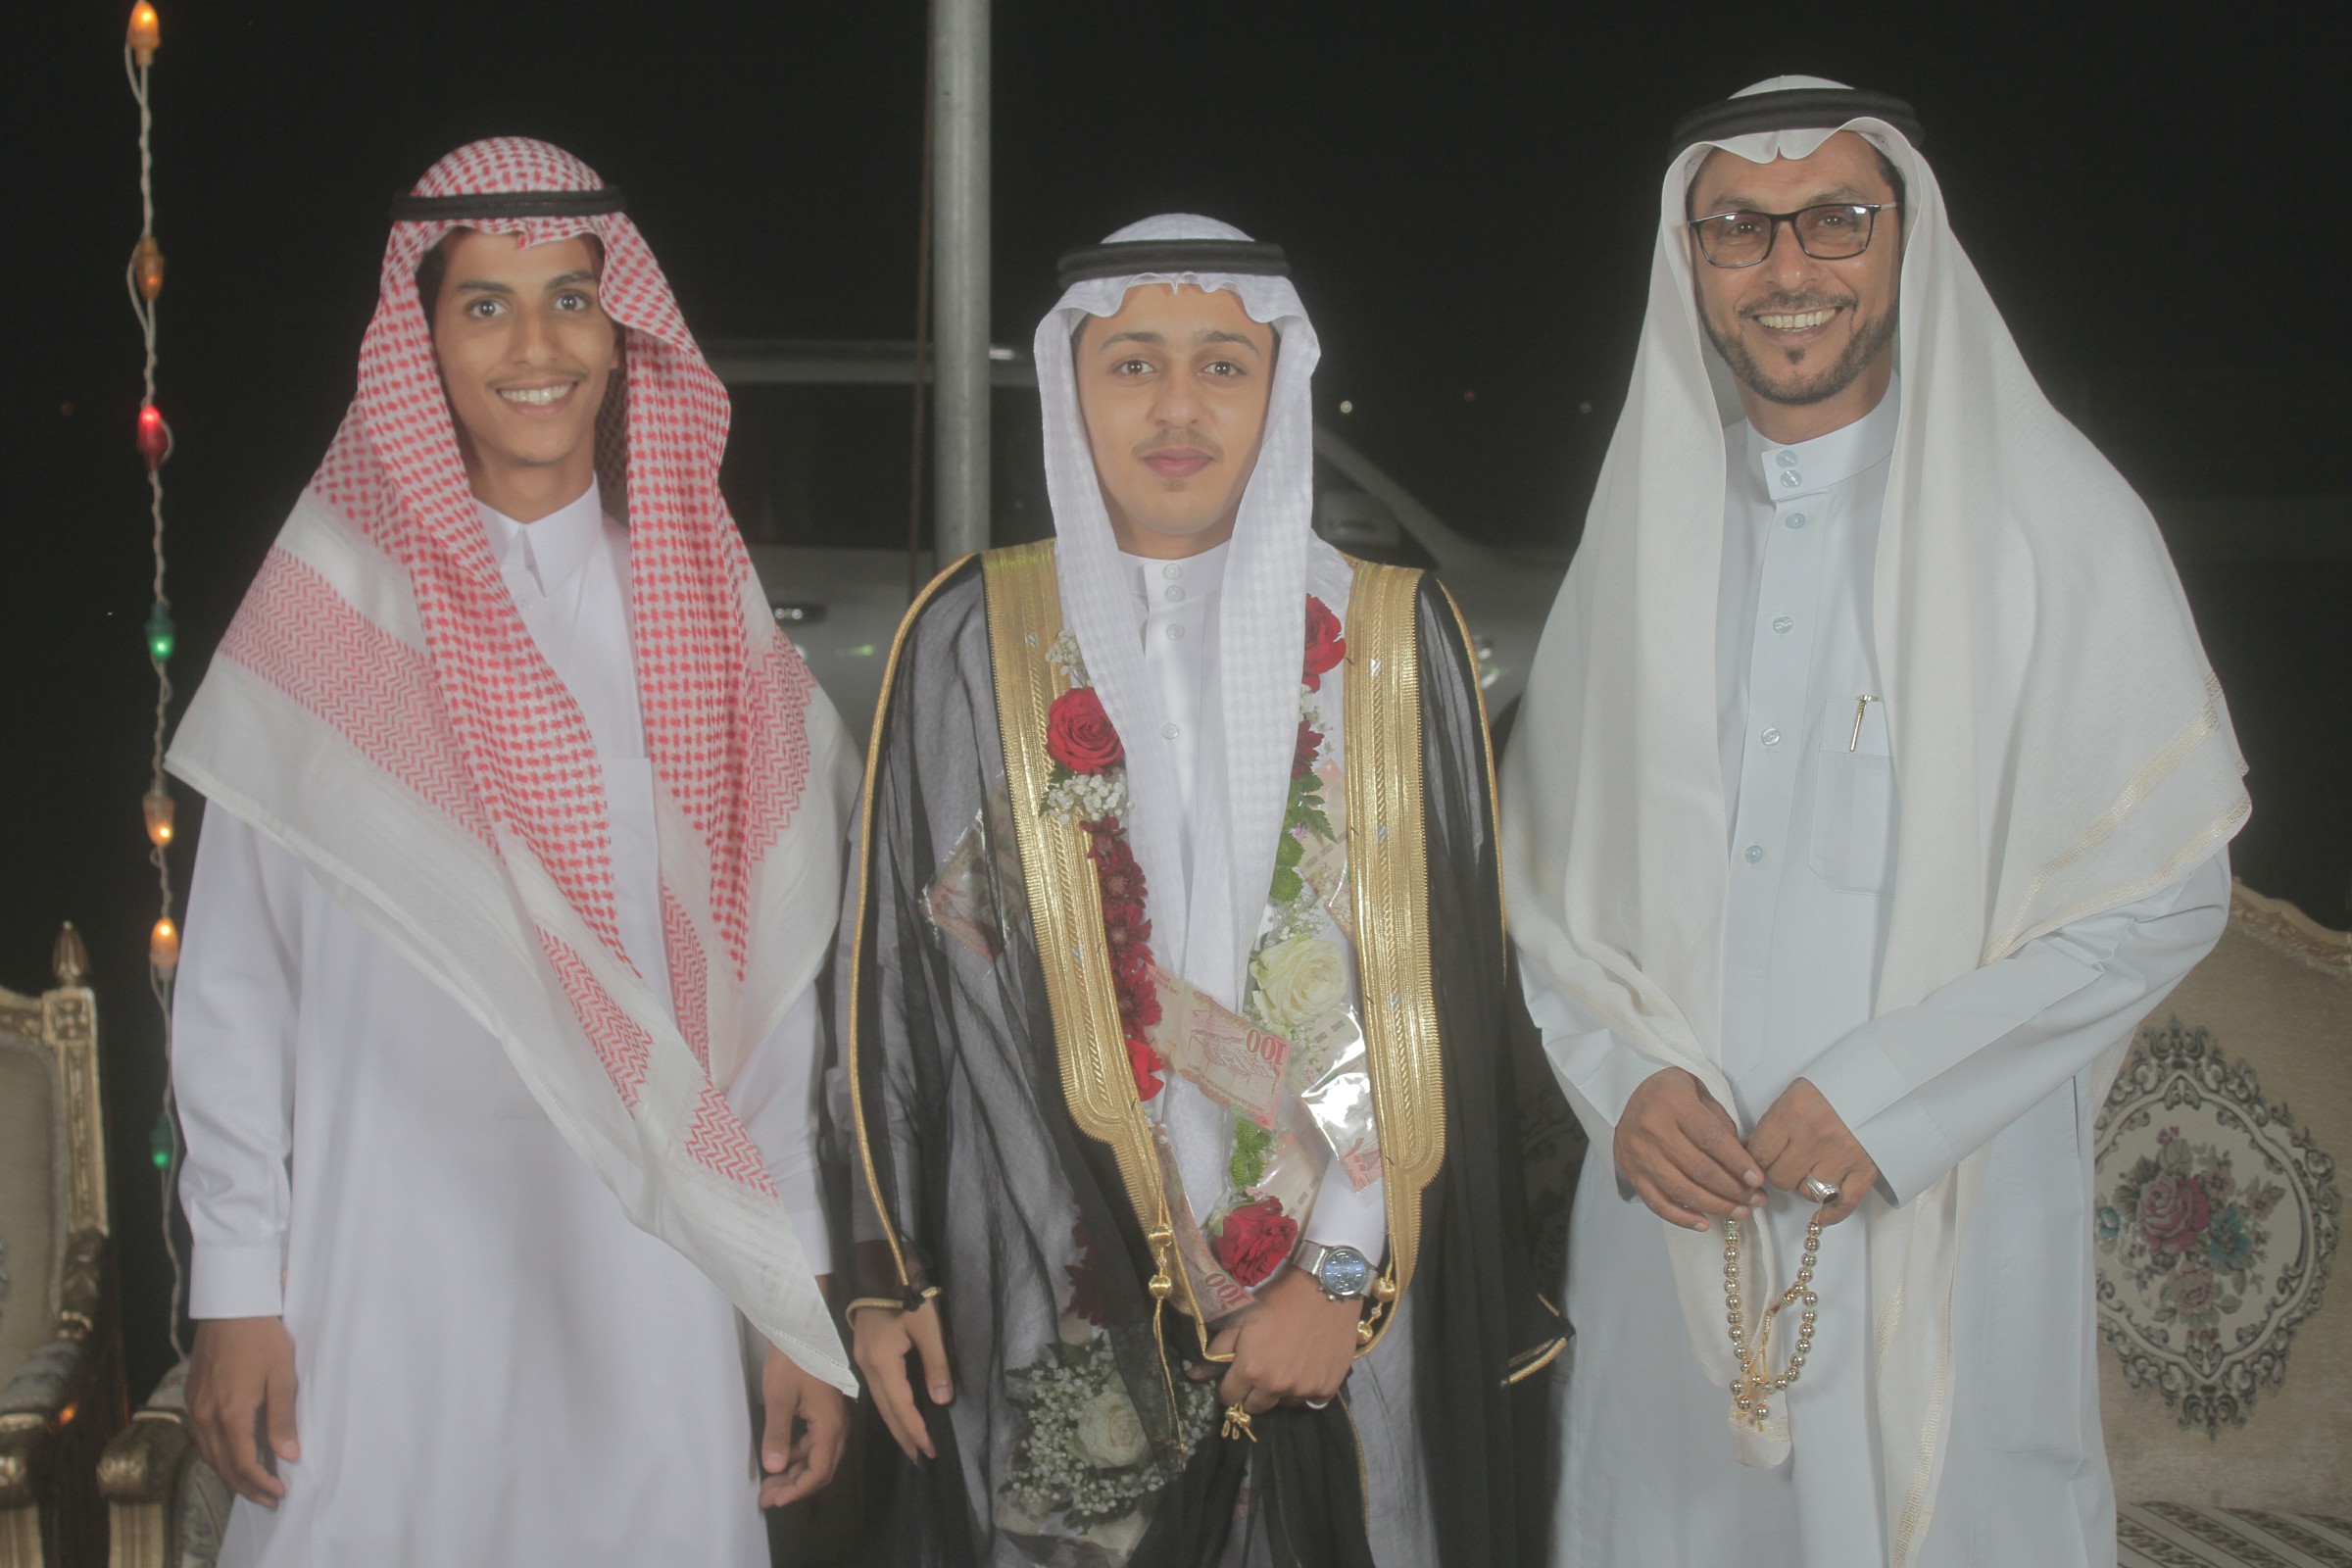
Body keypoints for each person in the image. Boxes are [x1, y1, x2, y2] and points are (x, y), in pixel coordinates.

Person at [1500, 78, 2250, 1568]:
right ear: (1692, 260)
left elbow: (2165, 890)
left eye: (1836, 220)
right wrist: (1622, 1081)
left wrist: (1890, 1098)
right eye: (1740, 228)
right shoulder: (1643, 536)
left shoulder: (2050, 524)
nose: (1788, 267)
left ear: (1908, 236)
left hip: (1940, 1215)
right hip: (1674, 1226)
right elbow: (1544, 895)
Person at [166, 138, 858, 1566]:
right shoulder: (327, 612)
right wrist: (235, 1283)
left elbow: (768, 1012)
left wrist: (792, 1292)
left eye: (571, 300)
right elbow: (237, 985)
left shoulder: (707, 628)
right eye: (485, 304)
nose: (535, 347)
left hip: (648, 1278)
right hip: (382, 1260)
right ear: (419, 339)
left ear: (623, 333)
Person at [839, 215, 1562, 1566]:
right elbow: (898, 993)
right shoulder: (973, 640)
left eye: (1223, 364)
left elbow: (1432, 1003)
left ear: (1279, 384)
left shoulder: (1391, 641)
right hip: (1058, 1277)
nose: (1179, 408)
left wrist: (1334, 1279)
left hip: (1342, 1309)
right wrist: (888, 1273)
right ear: (1071, 386)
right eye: (1134, 365)